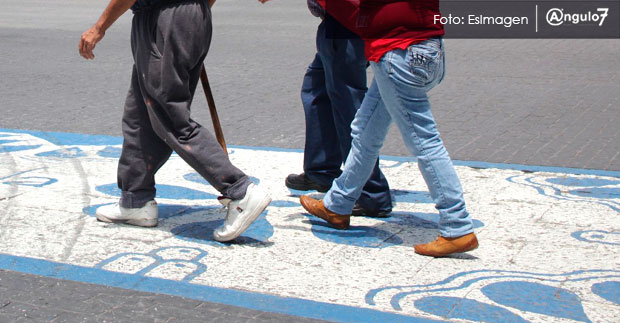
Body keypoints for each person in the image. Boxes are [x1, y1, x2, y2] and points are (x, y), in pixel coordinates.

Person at [79, 0, 271, 242]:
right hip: (187, 16)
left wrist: (99, 27)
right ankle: (135, 200)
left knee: (170, 116)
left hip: (163, 16)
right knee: (140, 114)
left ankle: (239, 190)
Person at [299, 0, 479, 257]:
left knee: (423, 139)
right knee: (365, 130)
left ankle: (457, 225)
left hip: (400, 52)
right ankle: (338, 204)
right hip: (423, 48)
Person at [259, 0, 393, 218]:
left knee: (348, 105)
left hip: (347, 18)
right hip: (344, 19)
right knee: (317, 88)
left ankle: (369, 192)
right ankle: (321, 171)